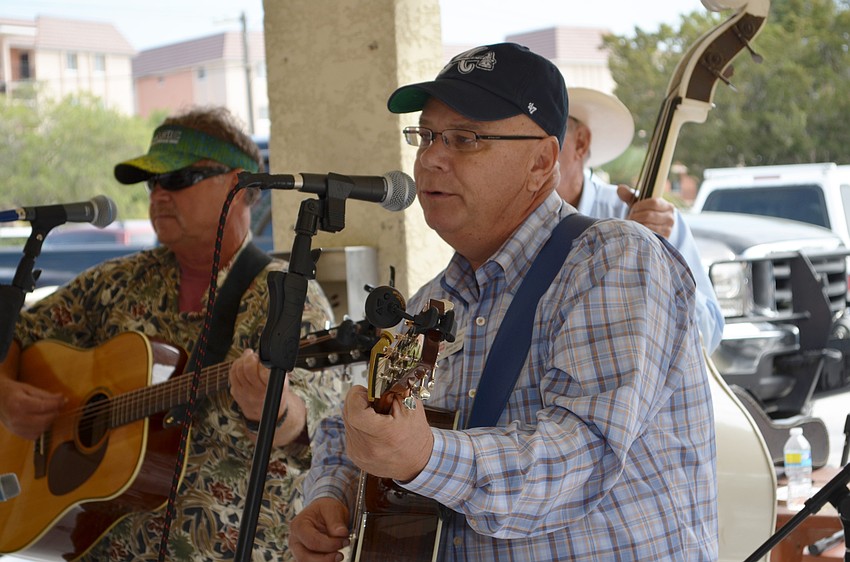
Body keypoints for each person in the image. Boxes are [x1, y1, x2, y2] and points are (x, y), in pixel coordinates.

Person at [290, 43, 717, 561]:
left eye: (464, 138)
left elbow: (581, 455)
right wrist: (330, 495)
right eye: (425, 136)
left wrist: (424, 455)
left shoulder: (615, 259)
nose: (430, 159)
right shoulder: (433, 302)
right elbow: (348, 424)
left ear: (542, 161)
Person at [0, 106, 345, 561]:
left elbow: (318, 433)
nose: (160, 194)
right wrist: (4, 392)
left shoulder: (285, 295)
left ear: (240, 185)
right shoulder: (116, 282)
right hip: (108, 547)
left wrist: (275, 411)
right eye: (153, 182)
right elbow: (14, 331)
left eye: (179, 178)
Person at [557, 86, 724, 353]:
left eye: (547, 136)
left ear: (580, 142)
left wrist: (658, 260)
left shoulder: (650, 214)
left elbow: (707, 333)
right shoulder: (514, 223)